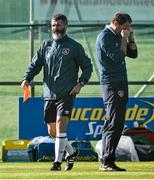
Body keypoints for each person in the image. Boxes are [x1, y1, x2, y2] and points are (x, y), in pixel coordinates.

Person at [21, 14, 93, 171]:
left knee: (61, 125)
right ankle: (72, 152)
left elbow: (88, 66)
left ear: (66, 26)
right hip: (49, 93)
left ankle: (57, 163)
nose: (56, 28)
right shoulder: (46, 46)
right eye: (54, 25)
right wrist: (27, 79)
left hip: (67, 93)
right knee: (52, 131)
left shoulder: (74, 46)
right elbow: (35, 65)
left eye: (59, 25)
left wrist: (80, 83)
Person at [96, 12, 138, 171]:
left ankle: (107, 160)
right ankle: (107, 161)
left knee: (116, 122)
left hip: (120, 82)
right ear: (116, 23)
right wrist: (123, 38)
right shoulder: (105, 37)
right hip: (112, 84)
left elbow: (133, 54)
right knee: (114, 122)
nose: (127, 30)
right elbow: (119, 57)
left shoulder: (118, 37)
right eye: (126, 27)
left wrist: (130, 38)